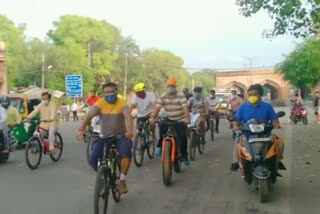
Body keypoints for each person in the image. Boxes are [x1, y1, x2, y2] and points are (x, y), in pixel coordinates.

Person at [77, 82, 134, 194]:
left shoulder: (122, 103)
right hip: (103, 137)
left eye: (112, 92)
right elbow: (89, 116)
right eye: (107, 92)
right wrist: (81, 129)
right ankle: (102, 174)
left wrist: (130, 131)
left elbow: (128, 116)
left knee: (126, 153)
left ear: (116, 92)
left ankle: (122, 180)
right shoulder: (100, 103)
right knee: (93, 159)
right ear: (103, 94)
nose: (110, 94)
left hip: (120, 136)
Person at [231, 84, 284, 171]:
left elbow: (274, 119)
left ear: (260, 95)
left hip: (265, 134)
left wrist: (276, 125)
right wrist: (235, 126)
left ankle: (277, 161)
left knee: (280, 143)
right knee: (237, 145)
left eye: (255, 94)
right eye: (250, 95)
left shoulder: (267, 106)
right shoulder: (243, 107)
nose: (252, 97)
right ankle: (236, 162)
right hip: (247, 134)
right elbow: (237, 120)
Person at [149, 77, 191, 165]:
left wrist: (187, 119)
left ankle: (184, 155)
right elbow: (157, 107)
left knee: (182, 137)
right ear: (166, 86)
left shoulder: (181, 95)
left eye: (172, 86)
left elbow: (185, 108)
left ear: (175, 86)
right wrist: (152, 118)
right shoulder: (163, 96)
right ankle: (161, 147)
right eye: (169, 86)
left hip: (180, 119)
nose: (170, 87)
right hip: (169, 117)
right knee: (162, 128)